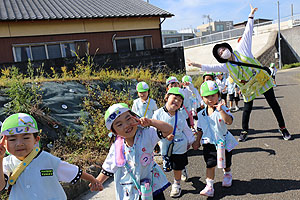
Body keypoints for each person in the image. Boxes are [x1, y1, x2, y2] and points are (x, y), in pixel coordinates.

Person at [188, 5, 292, 141]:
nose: (223, 51)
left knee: (273, 104)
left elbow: (247, 32)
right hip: (248, 88)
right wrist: (195, 64)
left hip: (261, 80)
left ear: (228, 47)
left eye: (223, 48)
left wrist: (251, 15)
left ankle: (283, 128)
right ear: (220, 57)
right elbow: (211, 67)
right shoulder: (226, 66)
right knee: (247, 109)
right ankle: (244, 131)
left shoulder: (242, 49)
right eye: (220, 53)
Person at [0, 113, 101, 200]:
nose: (19, 144)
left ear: (36, 139)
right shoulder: (5, 163)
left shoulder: (48, 159)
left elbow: (73, 171)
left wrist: (92, 179)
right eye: (12, 139)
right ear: (3, 143)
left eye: (26, 137)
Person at [95, 103, 173, 200]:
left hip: (151, 187)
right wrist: (97, 181)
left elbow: (168, 129)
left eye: (128, 119)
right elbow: (108, 168)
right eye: (119, 124)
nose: (126, 125)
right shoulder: (117, 147)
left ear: (135, 117)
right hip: (131, 191)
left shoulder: (147, 134)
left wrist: (151, 122)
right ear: (114, 132)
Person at [193, 81, 238, 197]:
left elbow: (229, 121)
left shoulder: (223, 108)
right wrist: (197, 141)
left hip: (223, 141)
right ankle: (209, 186)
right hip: (209, 143)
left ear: (218, 95)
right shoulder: (201, 113)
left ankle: (227, 173)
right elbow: (200, 129)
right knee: (209, 164)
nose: (210, 99)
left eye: (213, 95)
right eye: (207, 96)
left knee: (226, 161)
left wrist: (221, 110)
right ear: (202, 98)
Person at [152, 87, 195, 198]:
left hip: (180, 144)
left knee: (177, 165)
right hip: (165, 145)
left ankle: (176, 184)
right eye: (174, 98)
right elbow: (152, 129)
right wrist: (163, 135)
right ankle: (182, 169)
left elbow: (186, 129)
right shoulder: (157, 114)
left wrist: (192, 141)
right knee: (169, 164)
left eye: (180, 101)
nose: (176, 101)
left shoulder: (181, 115)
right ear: (166, 98)